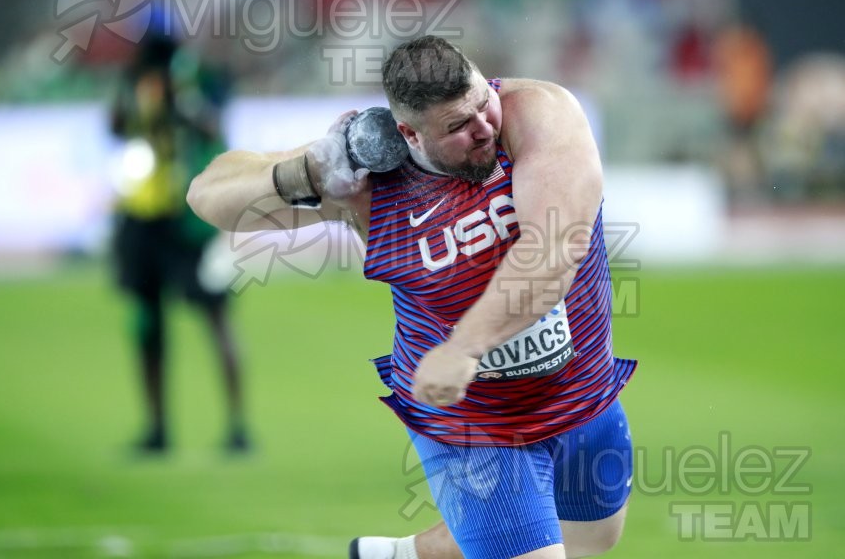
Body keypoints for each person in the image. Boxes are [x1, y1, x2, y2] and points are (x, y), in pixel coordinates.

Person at [188, 35, 636, 558]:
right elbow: (208, 197)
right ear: (409, 134)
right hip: (471, 423)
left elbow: (550, 254)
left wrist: (463, 348)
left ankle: (398, 555)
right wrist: (307, 170)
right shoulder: (370, 187)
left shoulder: (541, 114)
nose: (483, 127)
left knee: (592, 543)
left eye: (481, 103)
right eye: (458, 127)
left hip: (581, 395)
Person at [111, 33, 250, 453]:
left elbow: (213, 125)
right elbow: (116, 126)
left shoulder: (195, 82)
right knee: (148, 322)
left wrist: (180, 102)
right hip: (144, 218)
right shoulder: (136, 86)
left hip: (191, 226)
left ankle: (237, 426)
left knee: (216, 320)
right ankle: (157, 427)